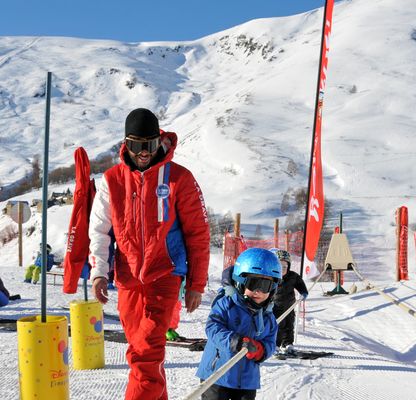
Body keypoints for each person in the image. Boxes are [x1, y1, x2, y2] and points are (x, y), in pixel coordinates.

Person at [88, 108, 210, 400]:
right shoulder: (112, 180)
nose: (143, 153)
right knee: (143, 353)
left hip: (165, 275)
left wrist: (196, 284)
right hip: (128, 279)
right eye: (136, 145)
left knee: (145, 354)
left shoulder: (179, 178)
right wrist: (99, 272)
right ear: (125, 144)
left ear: (160, 141)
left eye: (150, 145)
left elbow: (198, 234)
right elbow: (100, 231)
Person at [197, 248, 281, 400]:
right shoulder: (226, 304)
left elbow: (270, 342)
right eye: (253, 283)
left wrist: (261, 351)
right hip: (217, 375)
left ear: (273, 288)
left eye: (265, 286)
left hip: (247, 381)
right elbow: (212, 327)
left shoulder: (268, 317)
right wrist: (235, 341)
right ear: (240, 282)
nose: (258, 291)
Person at [271, 248, 308, 353]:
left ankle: (288, 344)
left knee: (289, 325)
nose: (282, 269)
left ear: (289, 266)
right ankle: (276, 345)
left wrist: (303, 293)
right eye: (280, 266)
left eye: (285, 266)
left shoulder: (293, 276)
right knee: (278, 326)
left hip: (290, 306)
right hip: (276, 308)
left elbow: (300, 284)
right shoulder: (272, 277)